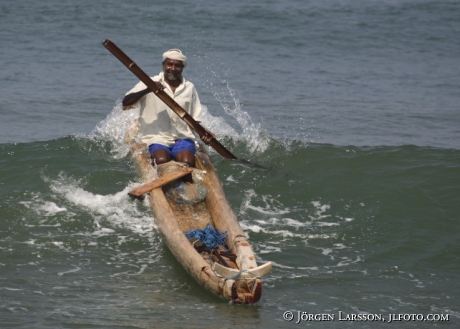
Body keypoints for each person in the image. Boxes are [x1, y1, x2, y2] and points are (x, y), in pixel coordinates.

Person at [122, 49, 214, 176]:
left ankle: (186, 185)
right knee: (161, 160)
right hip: (156, 137)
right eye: (169, 64)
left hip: (182, 137)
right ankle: (169, 187)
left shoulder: (189, 87)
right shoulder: (149, 81)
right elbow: (126, 103)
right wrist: (149, 89)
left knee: (187, 161)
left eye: (177, 65)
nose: (173, 68)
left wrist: (204, 132)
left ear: (182, 68)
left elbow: (194, 118)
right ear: (163, 65)